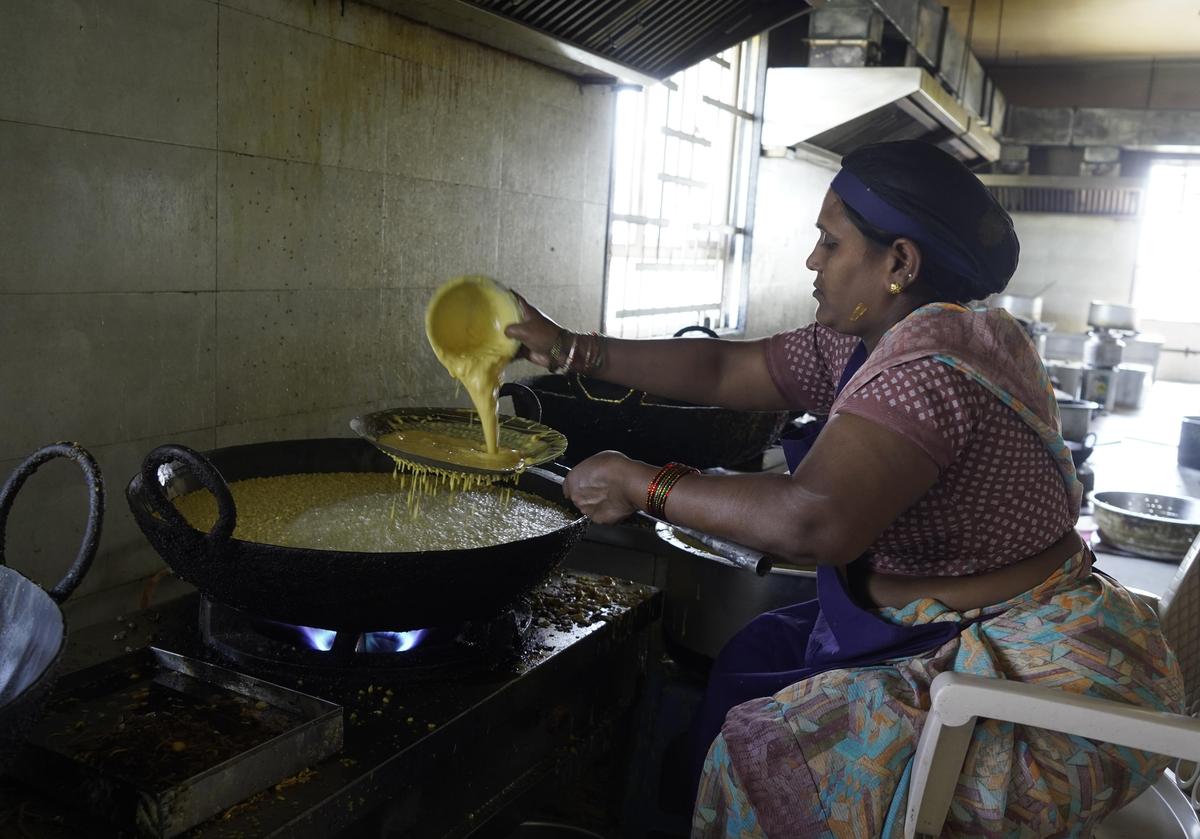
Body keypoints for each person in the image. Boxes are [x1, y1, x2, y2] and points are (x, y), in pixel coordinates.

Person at [505, 140, 1183, 838]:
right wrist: (568, 348)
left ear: (899, 263)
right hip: (916, 628)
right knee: (750, 655)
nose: (812, 260)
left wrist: (641, 481)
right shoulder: (877, 335)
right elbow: (722, 369)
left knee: (765, 760)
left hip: (1016, 671)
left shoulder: (934, 366)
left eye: (830, 243)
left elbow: (812, 520)